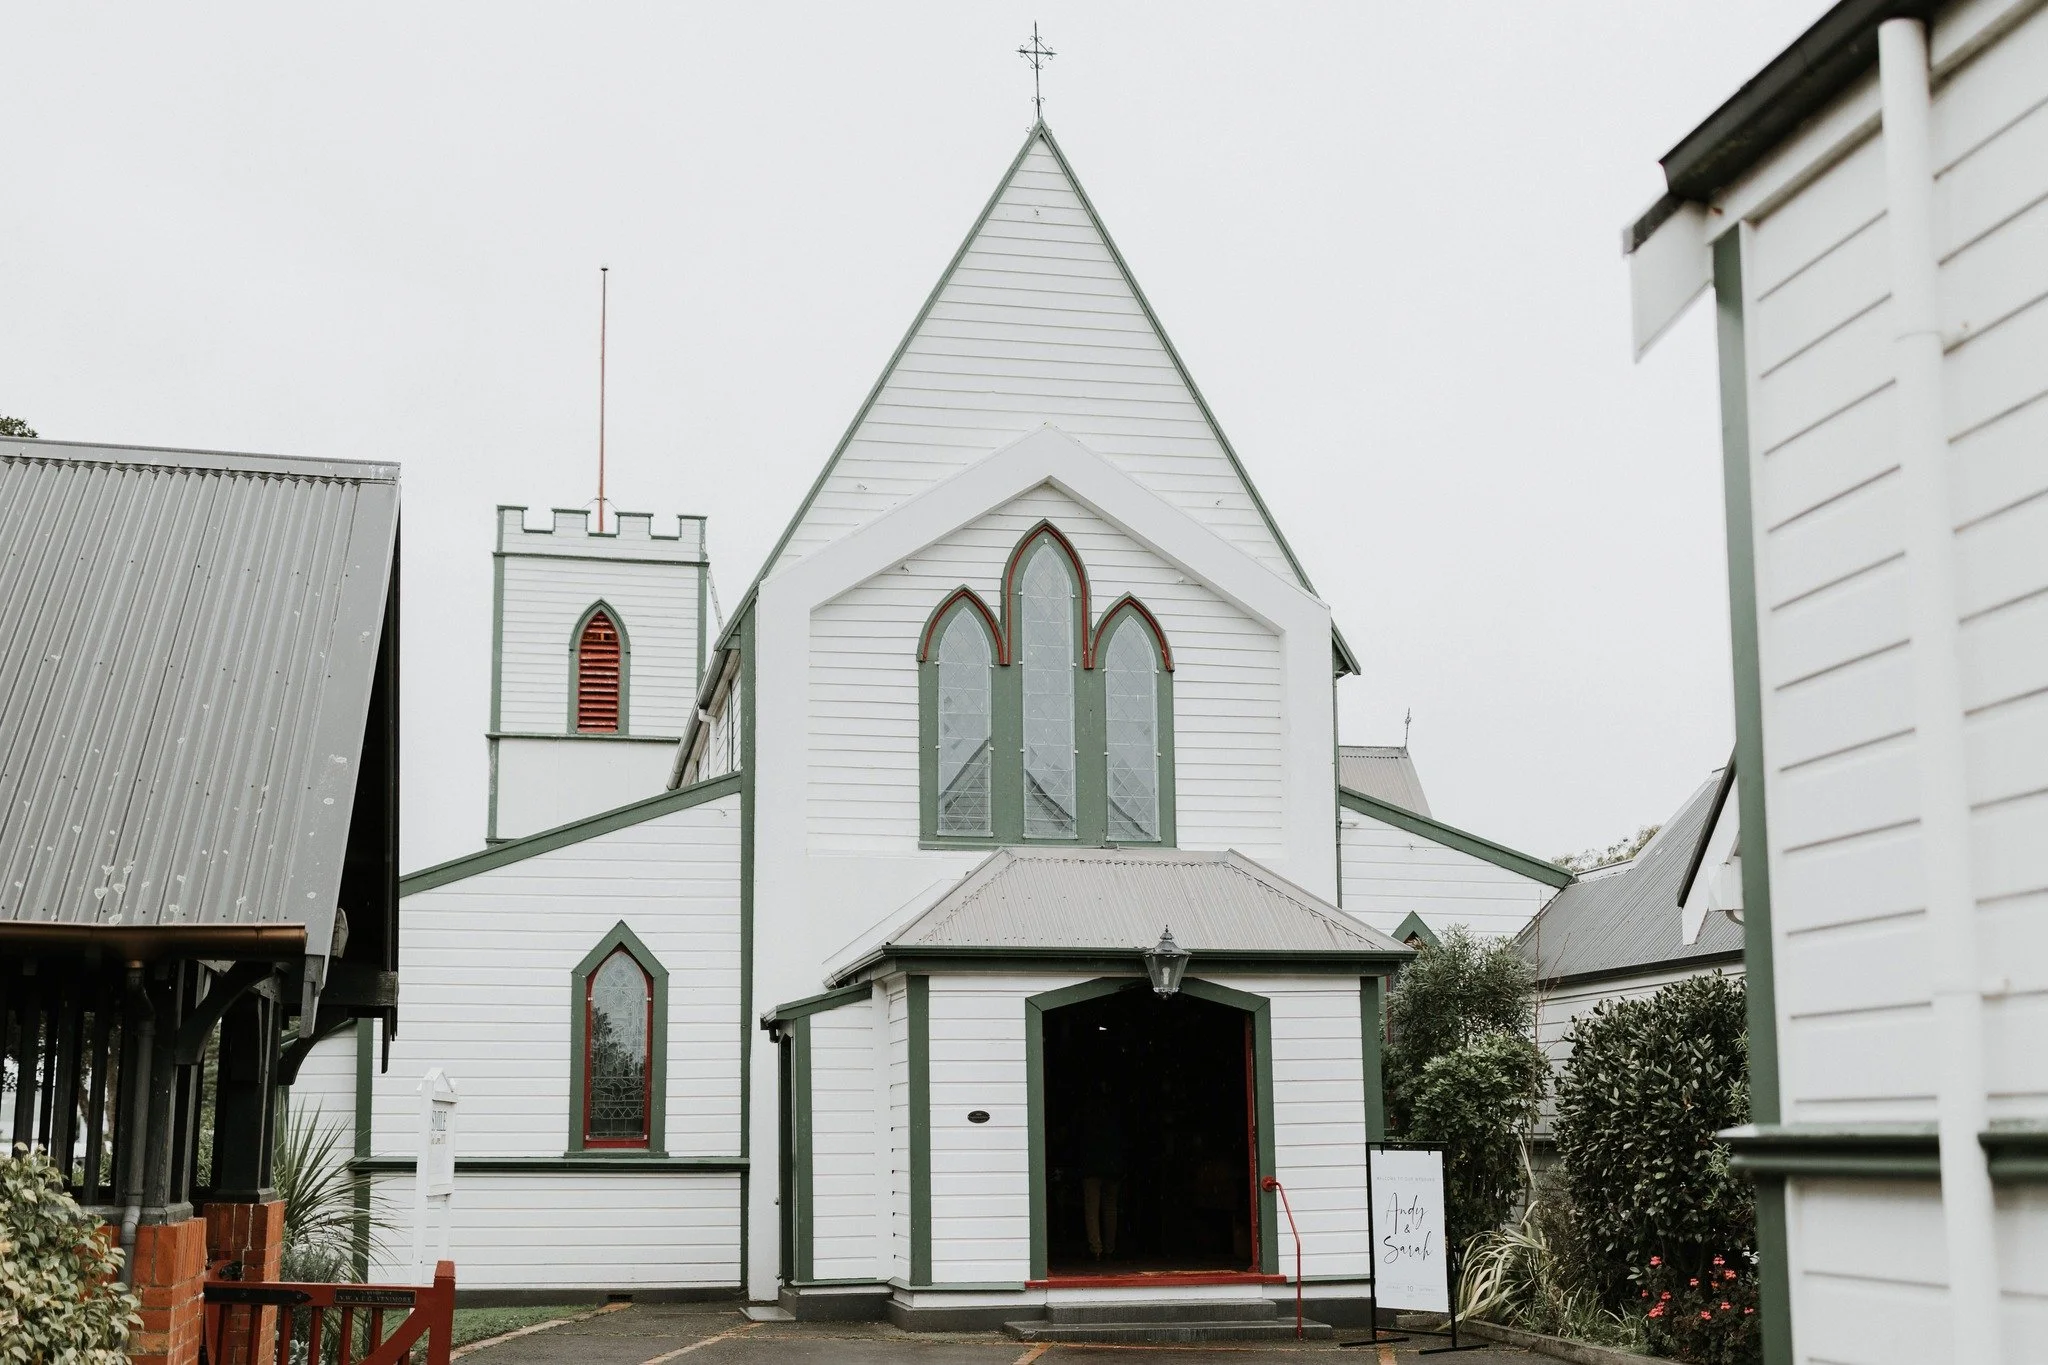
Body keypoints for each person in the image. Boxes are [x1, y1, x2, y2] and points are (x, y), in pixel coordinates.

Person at [1080, 1077, 1125, 1260]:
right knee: (1110, 1208)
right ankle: (1110, 1248)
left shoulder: (1087, 1110)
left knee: (1092, 1208)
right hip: (1113, 1166)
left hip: (1091, 1165)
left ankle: (1096, 1249)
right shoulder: (1116, 1110)